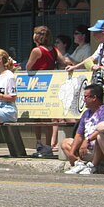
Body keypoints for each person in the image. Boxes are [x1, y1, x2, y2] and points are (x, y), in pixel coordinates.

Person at [25, 26, 67, 154]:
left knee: (37, 116)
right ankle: (48, 144)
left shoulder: (37, 50)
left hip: (38, 85)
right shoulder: (53, 49)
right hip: (50, 84)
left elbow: (28, 67)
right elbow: (63, 60)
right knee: (48, 116)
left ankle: (39, 142)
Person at [62, 83, 104, 175]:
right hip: (86, 149)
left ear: (94, 98)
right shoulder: (86, 113)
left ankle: (92, 166)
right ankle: (79, 164)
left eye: (86, 97)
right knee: (65, 142)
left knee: (99, 138)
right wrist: (72, 152)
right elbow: (79, 134)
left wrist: (87, 141)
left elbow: (100, 131)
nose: (84, 99)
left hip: (101, 150)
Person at [66, 19, 104, 92]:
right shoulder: (102, 45)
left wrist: (99, 67)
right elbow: (92, 58)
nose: (93, 35)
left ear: (103, 32)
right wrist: (74, 67)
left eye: (96, 33)